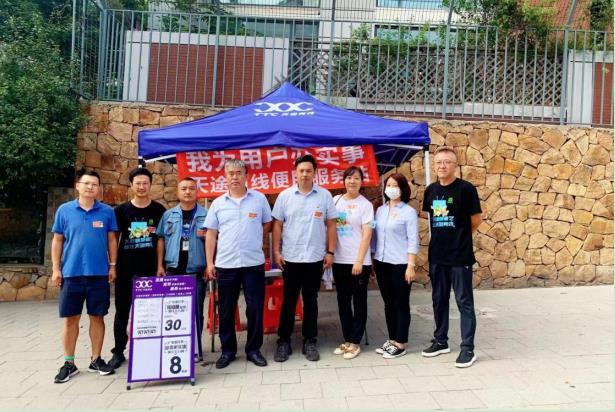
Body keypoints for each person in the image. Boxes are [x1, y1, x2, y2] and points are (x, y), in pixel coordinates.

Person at [51, 169, 118, 383]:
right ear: (78, 186)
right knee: (71, 319)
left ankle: (96, 359)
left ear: (99, 188)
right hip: (71, 274)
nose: (90, 187)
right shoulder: (64, 210)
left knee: (97, 316)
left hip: (99, 274)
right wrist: (56, 268)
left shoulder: (107, 211)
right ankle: (69, 363)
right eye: (86, 183)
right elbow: (57, 240)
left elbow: (111, 240)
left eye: (94, 184)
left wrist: (112, 265)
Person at [204, 159, 272, 369]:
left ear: (246, 176)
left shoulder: (259, 199)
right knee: (226, 309)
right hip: (226, 264)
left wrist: (253, 237)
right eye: (231, 173)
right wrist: (209, 263)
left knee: (255, 307)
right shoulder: (218, 203)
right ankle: (228, 351)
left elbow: (267, 223)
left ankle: (253, 349)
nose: (235, 177)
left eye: (239, 173)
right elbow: (211, 234)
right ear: (225, 177)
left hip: (253, 263)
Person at [271, 154, 338, 362]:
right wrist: (276, 252)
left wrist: (330, 252)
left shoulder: (324, 196)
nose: (305, 174)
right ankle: (283, 341)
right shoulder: (285, 196)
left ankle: (310, 340)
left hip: (315, 258)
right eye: (301, 170)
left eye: (309, 170)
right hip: (290, 258)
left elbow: (331, 225)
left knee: (311, 300)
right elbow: (277, 225)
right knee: (289, 300)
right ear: (295, 173)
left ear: (314, 173)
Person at [421, 146, 482, 368]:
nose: (442, 166)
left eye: (447, 162)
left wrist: (460, 237)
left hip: (460, 257)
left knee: (464, 302)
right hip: (437, 256)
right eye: (438, 162)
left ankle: (467, 348)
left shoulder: (466, 189)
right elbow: (434, 220)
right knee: (439, 300)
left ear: (455, 165)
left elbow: (476, 220)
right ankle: (440, 341)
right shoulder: (431, 191)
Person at [108, 168, 166, 370]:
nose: (141, 187)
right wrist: (113, 265)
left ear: (151, 185)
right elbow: (114, 239)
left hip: (149, 269)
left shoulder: (159, 210)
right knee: (122, 312)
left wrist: (160, 266)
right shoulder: (121, 211)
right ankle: (118, 351)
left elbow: (160, 240)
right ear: (131, 185)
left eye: (145, 183)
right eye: (138, 183)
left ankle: (148, 350)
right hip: (125, 269)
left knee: (150, 312)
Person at [156, 177, 208, 349]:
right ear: (177, 192)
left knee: (196, 311)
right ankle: (175, 348)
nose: (187, 192)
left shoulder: (206, 215)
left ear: (197, 192)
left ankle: (195, 348)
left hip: (196, 271)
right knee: (173, 311)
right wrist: (160, 265)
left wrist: (210, 265)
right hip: (173, 269)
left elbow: (213, 241)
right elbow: (161, 239)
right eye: (184, 188)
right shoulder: (168, 215)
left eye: (191, 188)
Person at [372, 173, 419, 359]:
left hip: (400, 263)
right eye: (389, 185)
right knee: (388, 303)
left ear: (403, 189)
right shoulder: (380, 210)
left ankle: (400, 342)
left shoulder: (408, 212)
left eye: (395, 185)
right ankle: (392, 339)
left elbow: (413, 240)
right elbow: (376, 237)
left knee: (401, 302)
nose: (391, 188)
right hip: (382, 262)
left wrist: (411, 265)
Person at [331, 166, 374, 360]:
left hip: (359, 262)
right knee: (343, 301)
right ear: (344, 181)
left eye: (356, 178)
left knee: (359, 301)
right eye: (349, 178)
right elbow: (331, 228)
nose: (352, 181)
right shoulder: (336, 201)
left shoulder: (366, 205)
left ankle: (356, 342)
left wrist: (359, 260)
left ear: (361, 182)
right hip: (339, 260)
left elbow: (367, 234)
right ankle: (347, 339)